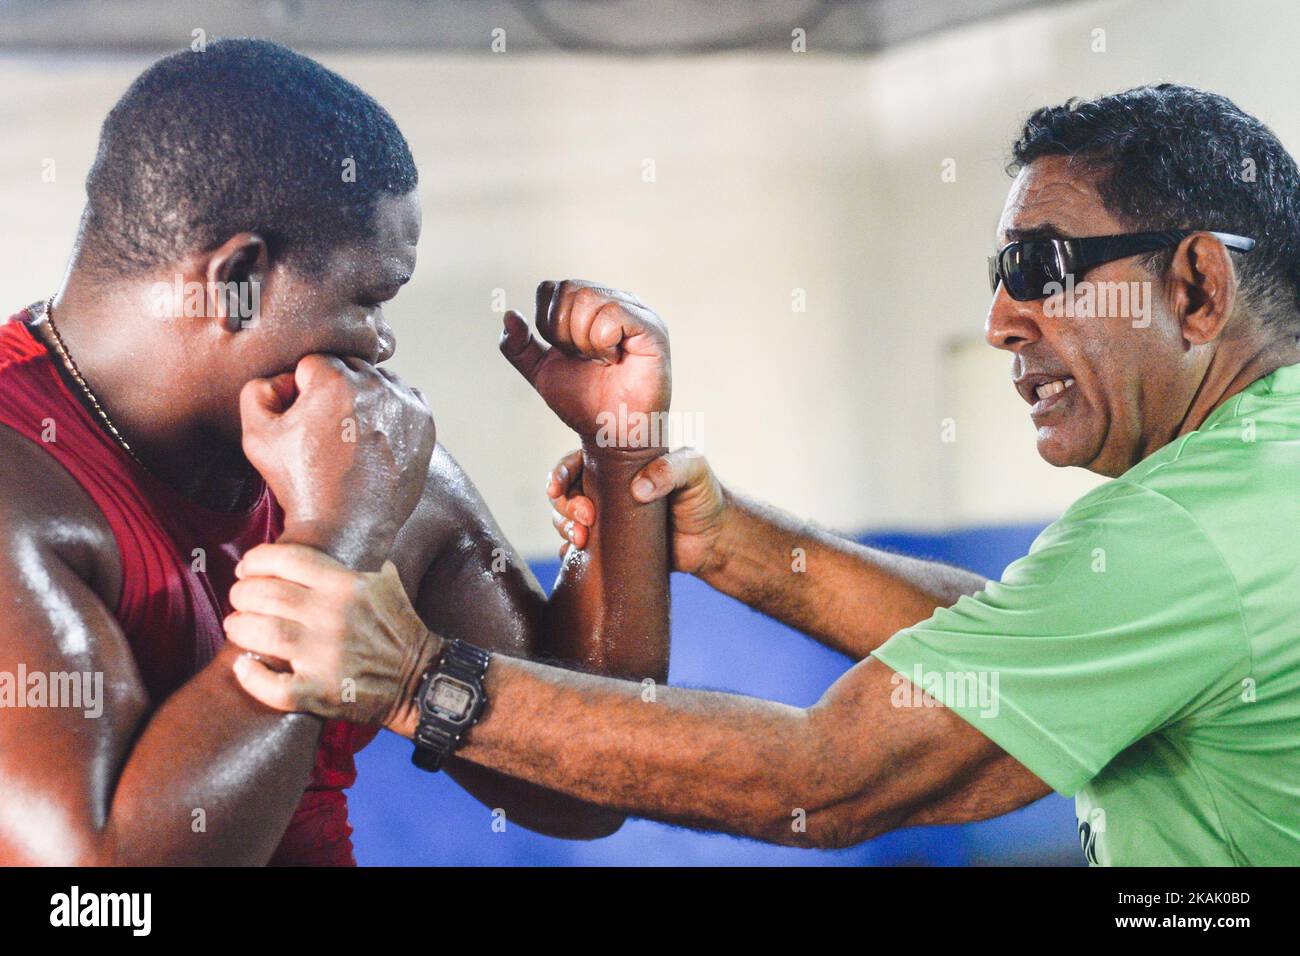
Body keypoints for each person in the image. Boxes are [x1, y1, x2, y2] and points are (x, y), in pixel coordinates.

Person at [228, 84, 1300, 865]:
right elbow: (1023, 643)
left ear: (1197, 285)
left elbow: (825, 779)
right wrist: (734, 541)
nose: (996, 320)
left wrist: (421, 680)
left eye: (1040, 269)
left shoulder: (1188, 529)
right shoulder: (1258, 481)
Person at [0, 38, 672, 865]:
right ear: (238, 277)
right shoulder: (21, 485)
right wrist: (332, 547)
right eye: (370, 299)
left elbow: (585, 795)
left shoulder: (358, 461)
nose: (383, 344)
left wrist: (619, 452)